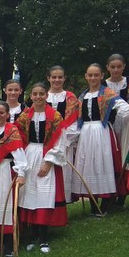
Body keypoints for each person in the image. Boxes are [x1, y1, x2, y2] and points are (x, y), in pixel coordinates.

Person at [73, 63, 129, 216]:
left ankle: (104, 205)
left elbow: (121, 106)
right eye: (90, 75)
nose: (93, 78)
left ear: (101, 76)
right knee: (88, 165)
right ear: (86, 76)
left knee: (102, 164)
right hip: (85, 133)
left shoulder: (107, 93)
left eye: (96, 75)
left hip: (101, 132)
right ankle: (94, 205)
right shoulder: (82, 96)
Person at [16, 83, 68, 253]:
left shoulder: (55, 116)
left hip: (46, 156)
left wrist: (49, 162)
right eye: (35, 94)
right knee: (30, 195)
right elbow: (17, 137)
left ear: (46, 96)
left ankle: (44, 238)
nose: (38, 97)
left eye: (41, 94)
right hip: (29, 154)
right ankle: (34, 235)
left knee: (44, 195)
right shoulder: (24, 116)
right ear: (30, 96)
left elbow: (60, 139)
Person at [0, 101, 27, 257]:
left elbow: (18, 152)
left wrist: (21, 173)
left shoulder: (11, 131)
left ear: (8, 114)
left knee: (7, 207)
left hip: (6, 170)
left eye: (1, 112)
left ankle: (9, 245)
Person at [46, 65, 79, 201]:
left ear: (64, 78)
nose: (57, 80)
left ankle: (62, 203)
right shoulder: (42, 95)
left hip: (64, 142)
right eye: (54, 77)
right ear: (48, 78)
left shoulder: (70, 97)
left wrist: (61, 139)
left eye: (60, 77)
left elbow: (74, 122)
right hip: (45, 143)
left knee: (63, 172)